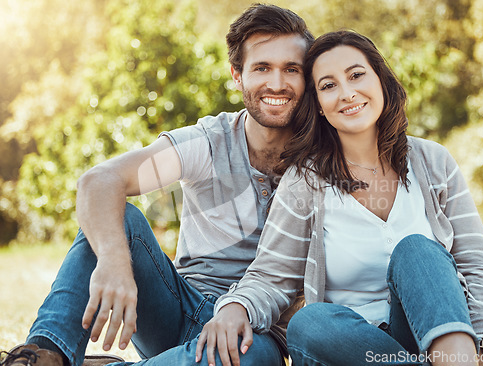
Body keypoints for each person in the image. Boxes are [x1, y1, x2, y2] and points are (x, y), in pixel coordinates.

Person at [1, 4, 314, 366]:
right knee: (121, 220)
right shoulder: (208, 143)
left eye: (291, 69)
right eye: (262, 67)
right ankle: (44, 355)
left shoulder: (323, 160)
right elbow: (99, 181)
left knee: (251, 360)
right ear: (237, 75)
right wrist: (116, 262)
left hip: (255, 331)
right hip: (177, 307)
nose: (277, 83)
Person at [199, 30, 483, 366]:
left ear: (381, 81)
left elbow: (477, 263)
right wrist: (235, 306)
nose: (346, 93)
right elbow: (271, 276)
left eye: (357, 75)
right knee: (309, 322)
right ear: (320, 107)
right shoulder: (305, 181)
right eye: (328, 86)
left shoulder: (433, 162)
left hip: (435, 346)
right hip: (348, 350)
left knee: (418, 251)